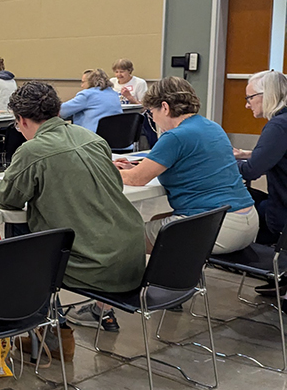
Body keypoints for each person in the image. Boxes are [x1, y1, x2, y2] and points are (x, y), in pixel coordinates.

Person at [0, 81, 145, 338]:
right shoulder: (92, 138)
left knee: (18, 239)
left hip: (97, 266)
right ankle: (62, 323)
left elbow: (6, 200)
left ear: (22, 120)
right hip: (131, 255)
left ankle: (48, 328)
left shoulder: (32, 150)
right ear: (58, 111)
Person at [116, 76, 258, 254]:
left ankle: (144, 280)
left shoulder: (175, 136)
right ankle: (171, 276)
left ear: (165, 107)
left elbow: (137, 179)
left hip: (218, 227)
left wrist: (108, 169)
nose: (153, 119)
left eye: (152, 112)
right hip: (247, 220)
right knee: (159, 219)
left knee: (127, 236)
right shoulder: (212, 126)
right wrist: (135, 169)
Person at [235, 70, 287, 247]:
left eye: (249, 98)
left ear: (267, 95)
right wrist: (248, 154)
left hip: (281, 215)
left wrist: (222, 163)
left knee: (235, 199)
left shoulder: (278, 126)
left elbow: (252, 171)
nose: (247, 105)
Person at [59, 68, 122, 133]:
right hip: (116, 138)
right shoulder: (114, 94)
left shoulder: (87, 95)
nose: (82, 86)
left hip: (92, 138)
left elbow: (61, 111)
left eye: (83, 82)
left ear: (91, 82)